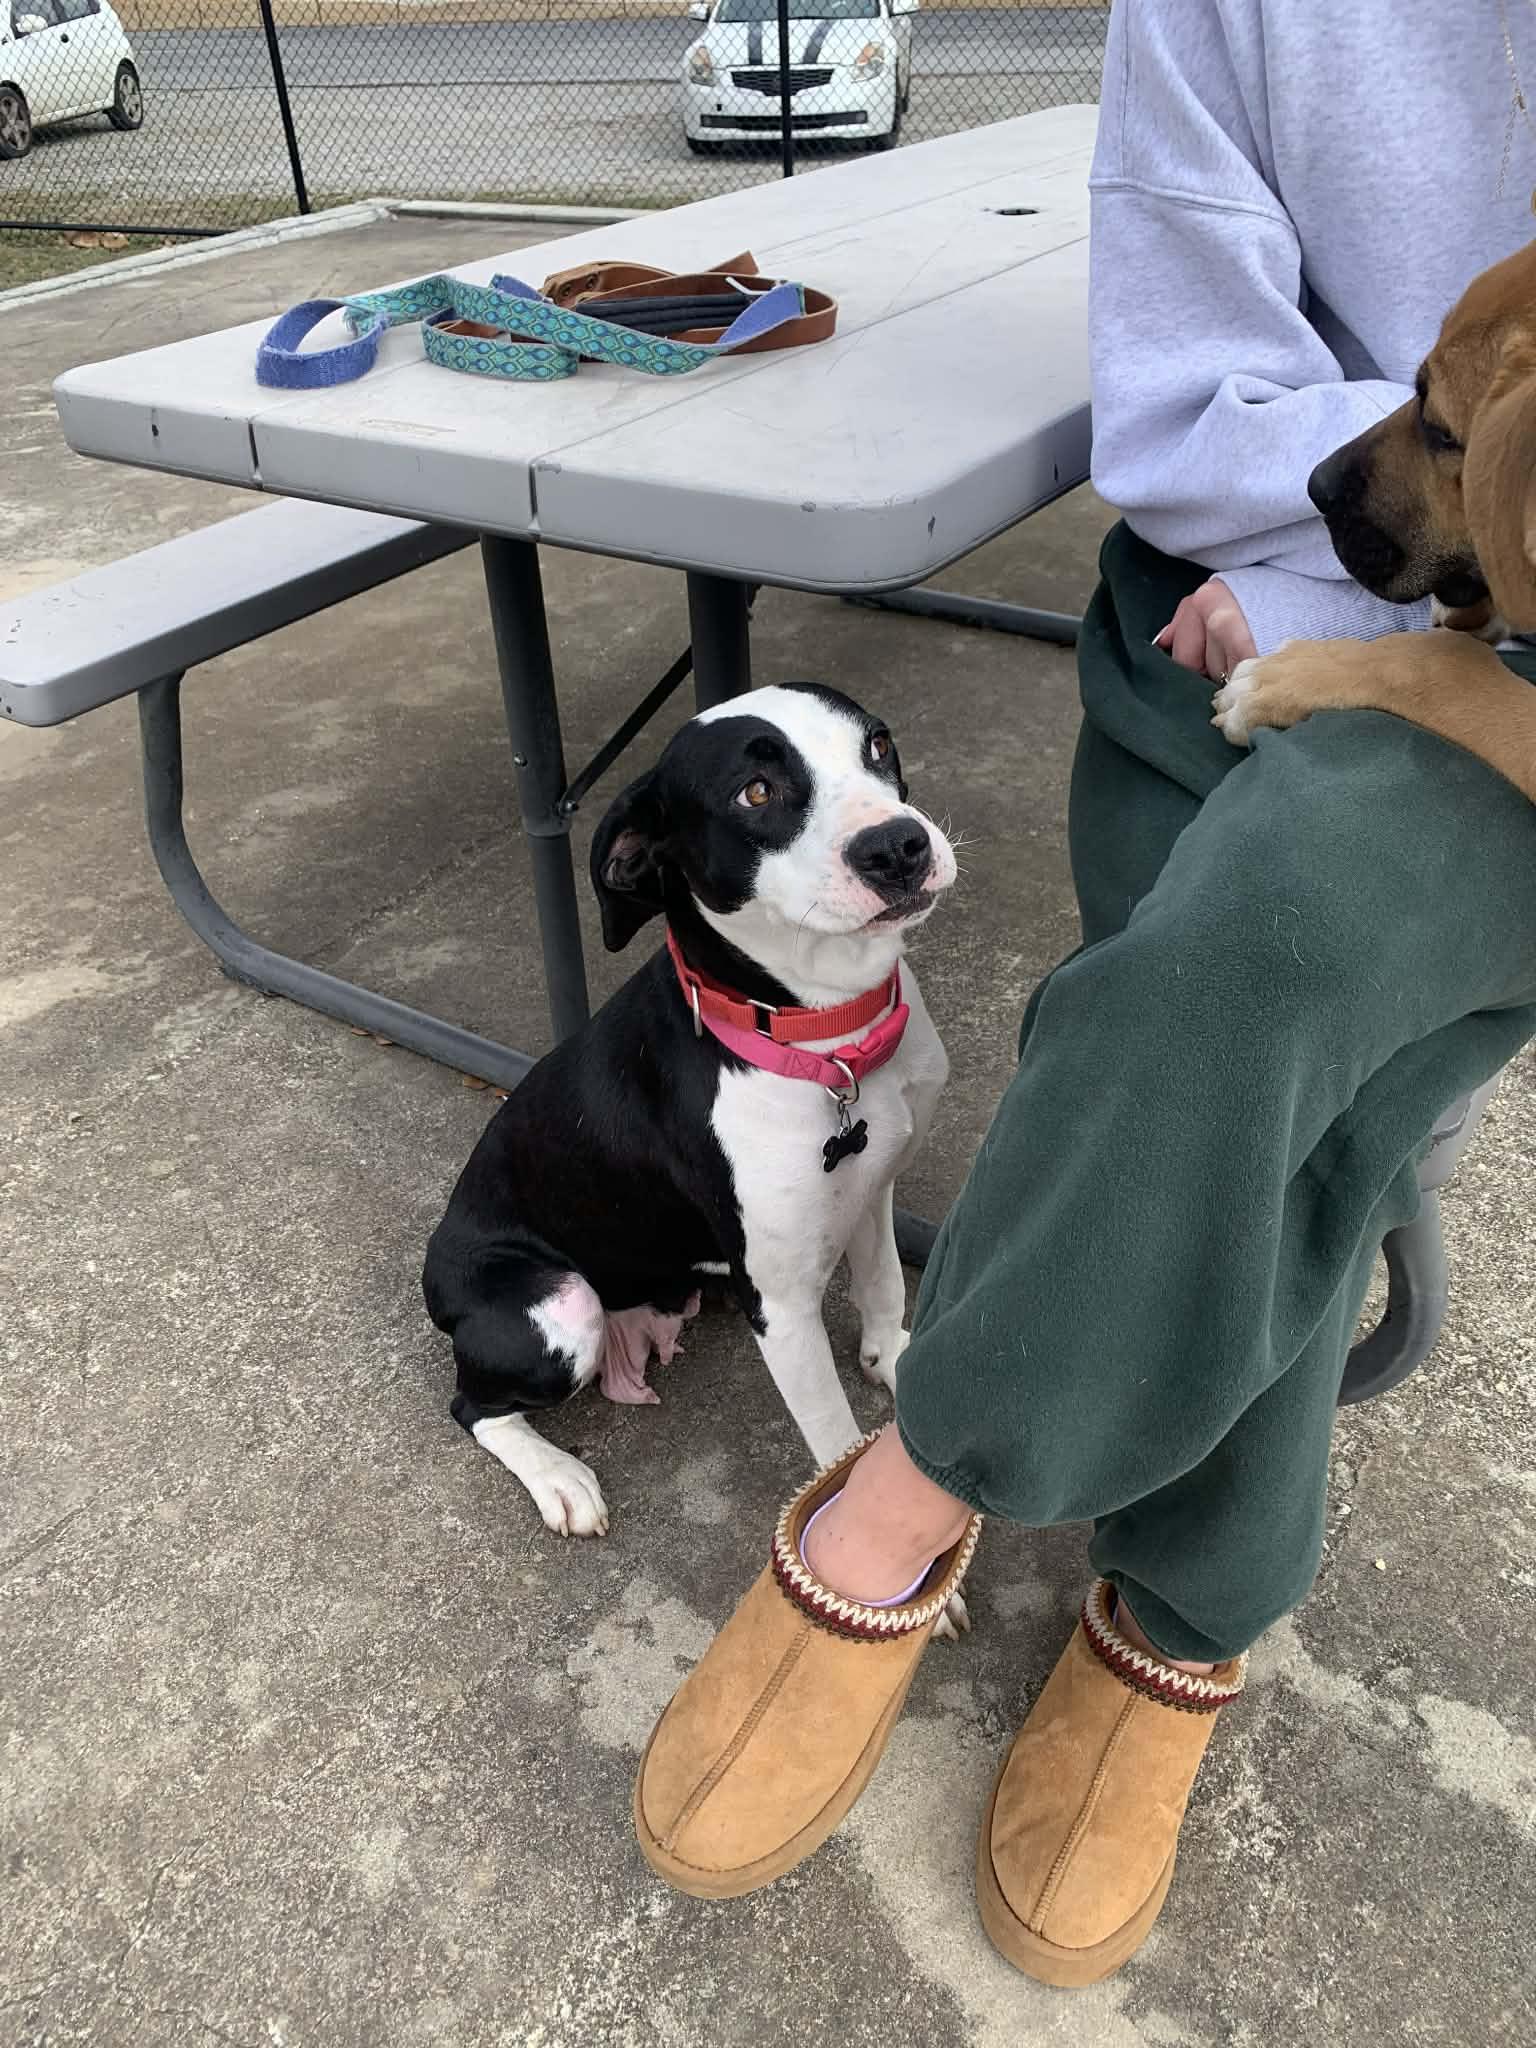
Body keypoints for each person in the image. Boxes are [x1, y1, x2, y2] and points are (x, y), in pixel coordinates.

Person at [631, 0, 1536, 1987]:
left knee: (1256, 961)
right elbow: (1190, 381)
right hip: (1248, 557)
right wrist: (1331, 576)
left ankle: (910, 1494)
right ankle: (1191, 1602)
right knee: (1233, 1043)